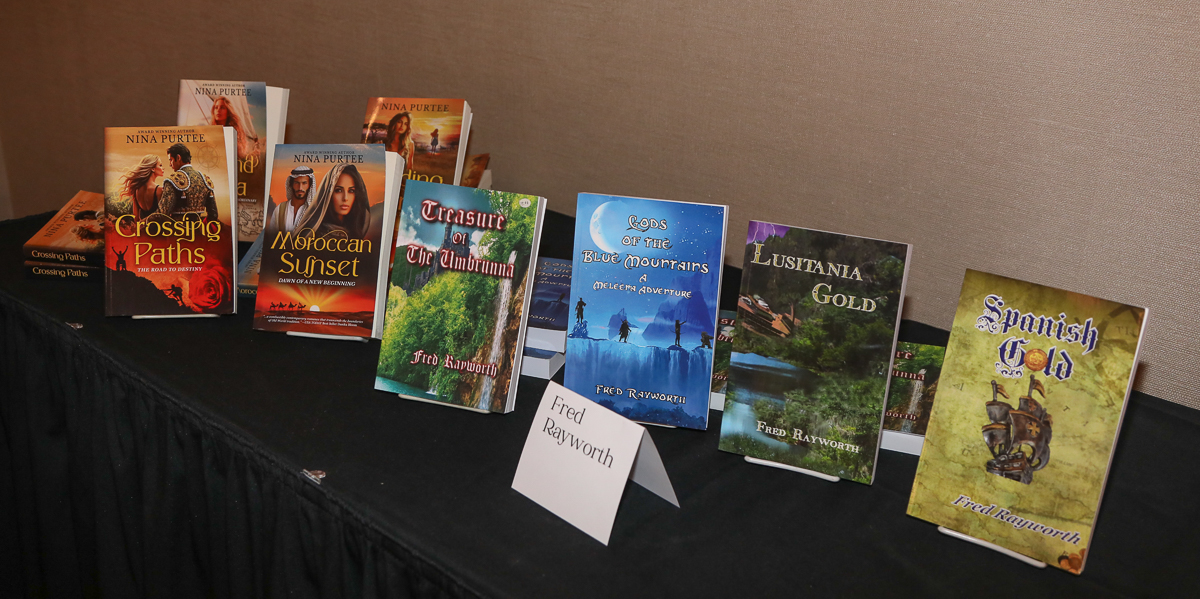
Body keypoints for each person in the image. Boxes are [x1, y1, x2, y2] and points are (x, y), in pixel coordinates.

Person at [293, 163, 371, 239]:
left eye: (351, 191)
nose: (345, 198)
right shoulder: (311, 234)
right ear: (328, 194)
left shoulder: (355, 230)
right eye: (338, 190)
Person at [149, 144, 218, 224]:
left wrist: (142, 223)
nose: (170, 164)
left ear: (178, 158)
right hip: (197, 228)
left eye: (171, 160)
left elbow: (162, 214)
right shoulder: (205, 180)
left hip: (177, 229)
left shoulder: (173, 180)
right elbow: (213, 215)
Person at [210, 95, 262, 161]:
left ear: (228, 112)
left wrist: (254, 154)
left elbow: (240, 157)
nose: (218, 110)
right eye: (216, 107)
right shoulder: (209, 132)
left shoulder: (234, 133)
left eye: (222, 107)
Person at [267, 165, 316, 233]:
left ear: (310, 186)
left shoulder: (315, 211)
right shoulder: (280, 209)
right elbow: (271, 236)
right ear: (291, 185)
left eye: (304, 183)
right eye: (296, 183)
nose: (300, 188)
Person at [118, 155, 164, 220]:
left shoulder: (136, 189)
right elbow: (163, 216)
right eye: (160, 165)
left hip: (143, 226)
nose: (163, 168)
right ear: (153, 169)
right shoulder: (160, 190)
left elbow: (136, 217)